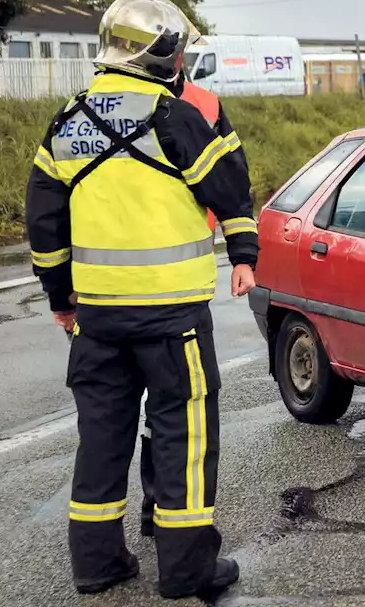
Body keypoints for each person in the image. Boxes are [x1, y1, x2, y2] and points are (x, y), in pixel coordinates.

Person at [24, 0, 257, 599]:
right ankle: (186, 571)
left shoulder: (67, 120)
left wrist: (61, 297)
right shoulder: (176, 116)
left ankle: (97, 565)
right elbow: (228, 187)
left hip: (96, 317)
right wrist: (244, 256)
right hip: (171, 314)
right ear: (163, 55)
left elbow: (44, 222)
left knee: (101, 437)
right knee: (183, 434)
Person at [135, 66, 231, 540]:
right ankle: (167, 520)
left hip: (175, 274)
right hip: (159, 287)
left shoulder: (205, 103)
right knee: (174, 409)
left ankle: (158, 512)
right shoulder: (140, 101)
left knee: (161, 410)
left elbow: (233, 179)